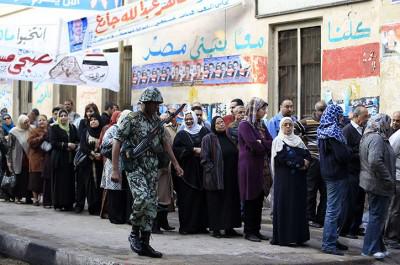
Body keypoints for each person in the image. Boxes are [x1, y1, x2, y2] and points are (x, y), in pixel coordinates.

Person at [112, 87, 183, 258]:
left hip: (151, 168)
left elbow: (165, 143)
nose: (155, 107)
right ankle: (135, 232)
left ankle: (145, 242)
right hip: (134, 166)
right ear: (144, 103)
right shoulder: (131, 119)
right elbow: (117, 141)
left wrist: (176, 163)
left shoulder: (156, 121)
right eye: (152, 104)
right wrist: (115, 169)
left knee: (151, 205)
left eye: (157, 104)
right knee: (142, 198)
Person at [360, 114, 395, 260]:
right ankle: (370, 249)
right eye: (388, 122)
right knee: (376, 216)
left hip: (374, 182)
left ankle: (379, 246)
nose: (390, 125)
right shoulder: (377, 138)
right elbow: (374, 161)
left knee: (378, 216)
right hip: (378, 183)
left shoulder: (370, 136)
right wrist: (388, 178)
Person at [270, 117, 311, 246]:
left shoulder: (298, 140)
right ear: (281, 127)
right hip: (284, 181)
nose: (288, 127)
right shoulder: (278, 141)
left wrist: (306, 162)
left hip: (298, 181)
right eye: (285, 125)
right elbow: (283, 158)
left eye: (290, 125)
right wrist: (300, 162)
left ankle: (298, 237)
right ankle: (284, 238)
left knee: (298, 207)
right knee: (286, 206)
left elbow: (307, 154)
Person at [318, 104, 351, 256]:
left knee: (334, 209)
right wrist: (349, 150)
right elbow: (343, 156)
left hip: (329, 173)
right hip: (336, 175)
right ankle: (329, 244)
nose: (341, 118)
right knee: (333, 211)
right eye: (340, 116)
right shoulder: (333, 132)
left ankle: (332, 239)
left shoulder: (323, 130)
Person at [201, 116, 241, 238]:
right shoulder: (208, 138)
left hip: (231, 176)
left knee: (230, 202)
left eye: (222, 122)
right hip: (216, 177)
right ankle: (216, 229)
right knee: (216, 203)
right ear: (213, 125)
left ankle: (229, 227)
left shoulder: (230, 137)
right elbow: (204, 158)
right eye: (218, 123)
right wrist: (212, 170)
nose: (221, 124)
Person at [238, 97, 272, 242]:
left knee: (258, 199)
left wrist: (262, 142)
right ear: (255, 110)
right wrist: (262, 144)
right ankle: (249, 231)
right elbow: (253, 145)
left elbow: (272, 143)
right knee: (250, 199)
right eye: (262, 109)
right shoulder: (245, 125)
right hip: (249, 167)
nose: (264, 112)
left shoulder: (261, 125)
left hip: (261, 167)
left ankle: (256, 230)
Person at [173, 111, 209, 235]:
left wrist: (203, 151)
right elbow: (176, 150)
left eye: (190, 119)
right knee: (187, 199)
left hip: (202, 170)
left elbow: (212, 146)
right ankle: (187, 227)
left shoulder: (204, 131)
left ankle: (201, 226)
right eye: (186, 119)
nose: (188, 121)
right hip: (187, 172)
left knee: (201, 199)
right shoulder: (181, 134)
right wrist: (192, 150)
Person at [294, 100, 327, 228]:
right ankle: (309, 217)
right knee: (310, 190)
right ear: (316, 110)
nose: (323, 113)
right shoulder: (306, 122)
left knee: (325, 191)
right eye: (320, 110)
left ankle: (321, 217)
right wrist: (303, 146)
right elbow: (293, 131)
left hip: (325, 161)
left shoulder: (328, 122)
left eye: (324, 110)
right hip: (313, 159)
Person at [340, 106, 369, 239]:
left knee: (359, 201)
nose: (366, 119)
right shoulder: (347, 131)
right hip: (351, 172)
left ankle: (355, 227)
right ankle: (346, 228)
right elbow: (347, 152)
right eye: (364, 116)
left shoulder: (363, 130)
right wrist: (362, 154)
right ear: (357, 117)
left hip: (361, 172)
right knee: (350, 201)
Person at [152, 113, 176, 234]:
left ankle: (163, 223)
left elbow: (168, 146)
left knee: (165, 196)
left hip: (165, 166)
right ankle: (155, 225)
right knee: (158, 196)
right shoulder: (153, 130)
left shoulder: (163, 130)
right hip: (156, 167)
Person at [50, 109, 79, 211]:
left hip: (70, 159)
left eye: (65, 115)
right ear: (58, 117)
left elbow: (77, 139)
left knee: (69, 181)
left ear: (68, 117)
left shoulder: (72, 127)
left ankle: (68, 203)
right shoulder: (54, 127)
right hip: (59, 159)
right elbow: (53, 143)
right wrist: (66, 145)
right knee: (59, 181)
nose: (63, 117)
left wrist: (74, 145)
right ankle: (59, 203)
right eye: (61, 116)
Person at [75, 113, 104, 215]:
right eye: (91, 120)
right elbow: (82, 146)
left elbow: (104, 145)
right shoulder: (85, 131)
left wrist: (99, 154)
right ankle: (85, 206)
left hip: (99, 163)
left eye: (95, 119)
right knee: (87, 185)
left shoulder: (102, 132)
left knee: (97, 185)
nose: (93, 121)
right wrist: (92, 153)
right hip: (86, 163)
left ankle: (96, 207)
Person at [7, 115, 32, 204]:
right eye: (25, 122)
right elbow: (9, 148)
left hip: (28, 158)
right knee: (19, 178)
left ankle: (29, 197)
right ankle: (17, 197)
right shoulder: (13, 132)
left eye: (28, 121)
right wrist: (9, 161)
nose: (27, 124)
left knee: (28, 178)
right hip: (17, 158)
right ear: (20, 123)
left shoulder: (30, 130)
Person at [27, 115, 49, 206]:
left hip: (46, 158)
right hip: (36, 158)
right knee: (35, 180)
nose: (41, 122)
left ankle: (43, 198)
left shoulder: (50, 130)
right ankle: (35, 199)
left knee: (43, 180)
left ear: (47, 121)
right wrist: (40, 137)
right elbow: (30, 142)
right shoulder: (34, 131)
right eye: (39, 120)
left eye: (43, 120)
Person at [385, 125, 400, 249]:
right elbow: (390, 155)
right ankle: (390, 237)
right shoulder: (398, 136)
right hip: (398, 178)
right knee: (395, 209)